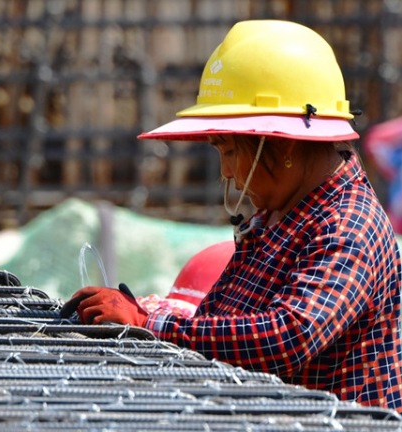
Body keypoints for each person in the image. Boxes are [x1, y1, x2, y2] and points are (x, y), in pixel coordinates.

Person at [64, 20, 402, 412]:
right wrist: (148, 313)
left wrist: (149, 326)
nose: (227, 172)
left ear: (282, 142)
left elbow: (289, 336)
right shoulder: (279, 213)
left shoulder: (347, 224)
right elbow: (226, 319)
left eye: (228, 150)